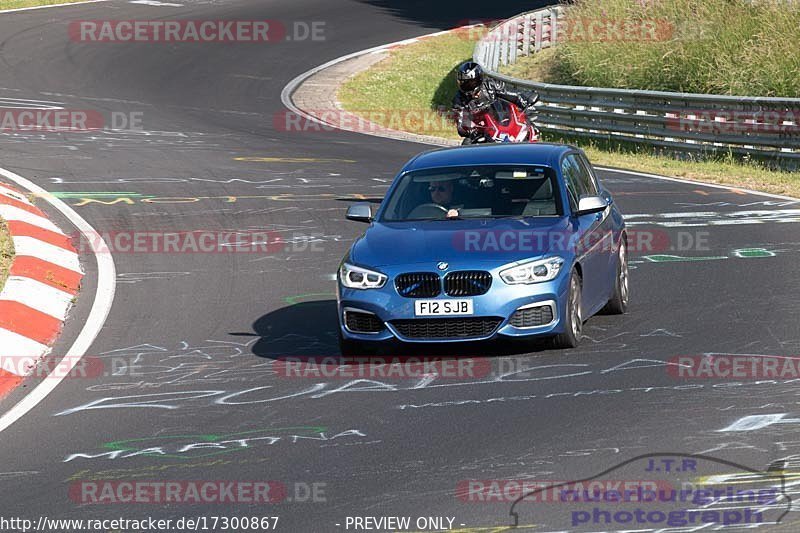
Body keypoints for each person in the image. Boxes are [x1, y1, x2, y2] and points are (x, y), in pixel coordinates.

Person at [451, 61, 538, 144]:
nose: (466, 86)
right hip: (482, 132)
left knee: (531, 128)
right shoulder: (459, 99)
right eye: (464, 83)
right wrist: (469, 129)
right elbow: (460, 122)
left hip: (502, 123)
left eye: (470, 83)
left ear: (479, 79)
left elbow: (510, 96)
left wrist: (524, 100)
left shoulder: (491, 85)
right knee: (467, 142)